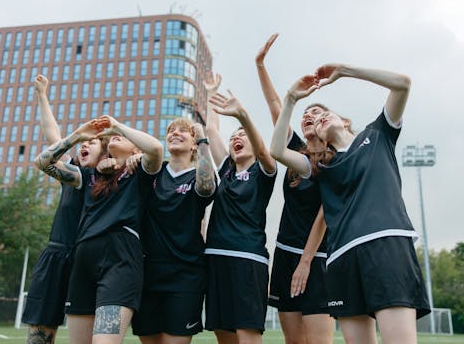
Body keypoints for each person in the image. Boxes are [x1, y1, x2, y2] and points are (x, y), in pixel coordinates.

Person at [270, 64, 430, 344]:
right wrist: (291, 99)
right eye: (313, 119)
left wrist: (345, 71)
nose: (316, 119)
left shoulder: (378, 134)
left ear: (344, 122)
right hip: (341, 259)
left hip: (385, 245)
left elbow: (402, 83)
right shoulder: (320, 165)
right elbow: (276, 151)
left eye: (322, 114)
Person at [35, 115, 163, 344]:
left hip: (119, 262)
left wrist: (118, 126)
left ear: (135, 149)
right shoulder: (90, 176)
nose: (115, 136)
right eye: (112, 136)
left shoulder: (141, 173)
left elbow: (155, 148)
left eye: (122, 137)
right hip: (83, 263)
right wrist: (76, 137)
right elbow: (43, 162)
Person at [255, 34, 334, 344]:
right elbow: (277, 107)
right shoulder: (296, 152)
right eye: (305, 114)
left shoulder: (334, 160)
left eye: (316, 113)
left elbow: (324, 216)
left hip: (317, 257)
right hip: (286, 254)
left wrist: (306, 262)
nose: (308, 116)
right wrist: (260, 64)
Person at [22, 75, 109, 344]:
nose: (84, 145)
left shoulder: (105, 180)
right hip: (57, 254)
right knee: (39, 337)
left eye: (91, 143)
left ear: (105, 154)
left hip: (87, 261)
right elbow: (53, 140)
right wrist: (42, 96)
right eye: (83, 143)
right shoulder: (73, 173)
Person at [203, 72, 277, 344]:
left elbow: (263, 153)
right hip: (215, 258)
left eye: (243, 135)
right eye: (234, 135)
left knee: (247, 334)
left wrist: (243, 117)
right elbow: (211, 131)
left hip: (247, 259)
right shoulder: (226, 172)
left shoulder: (264, 171)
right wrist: (211, 92)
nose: (237, 138)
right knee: (224, 334)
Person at [131, 118, 217, 344]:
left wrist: (203, 139)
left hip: (186, 275)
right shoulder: (153, 172)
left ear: (193, 144)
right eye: (170, 131)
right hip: (148, 273)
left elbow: (208, 188)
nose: (175, 133)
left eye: (183, 131)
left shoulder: (199, 175)